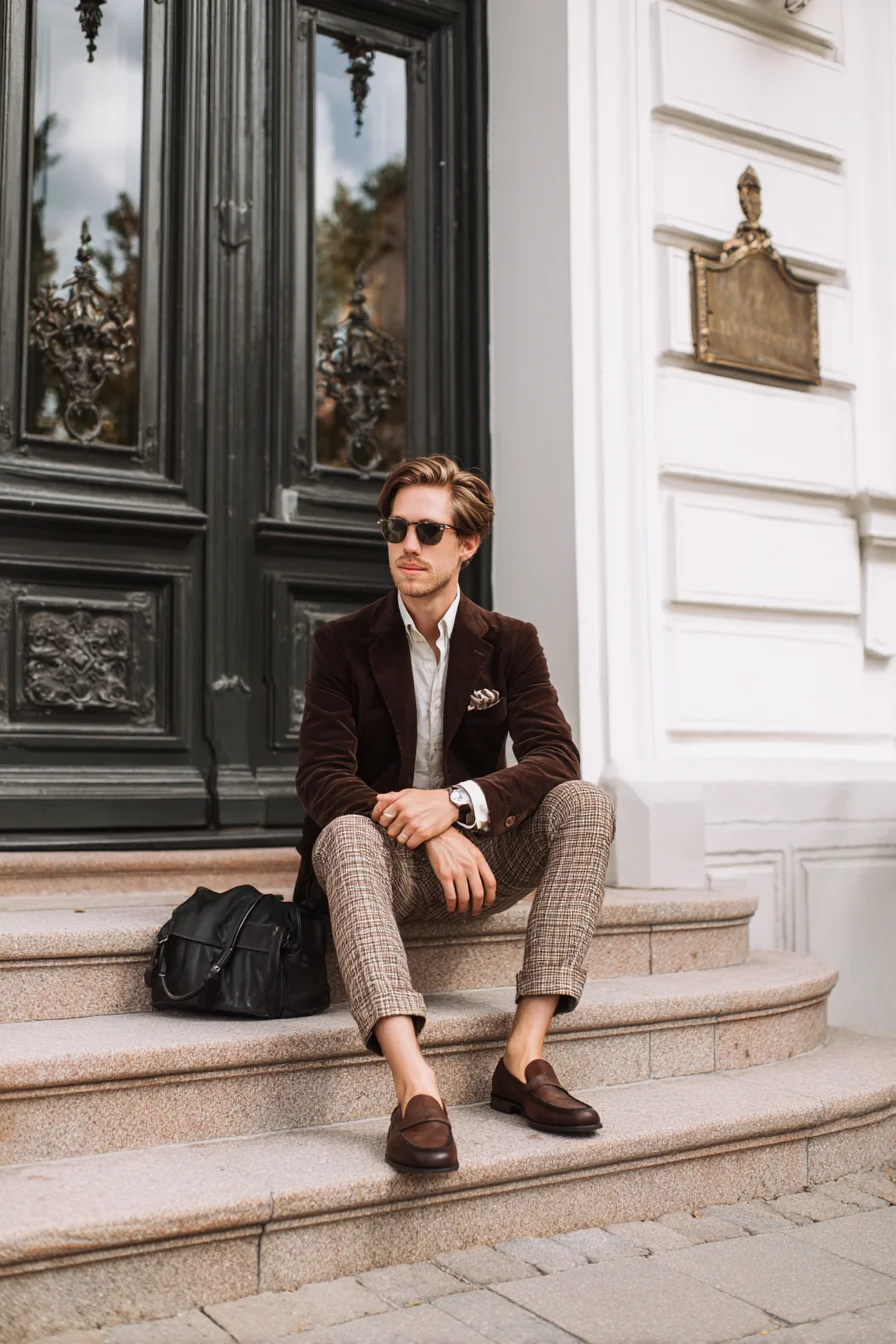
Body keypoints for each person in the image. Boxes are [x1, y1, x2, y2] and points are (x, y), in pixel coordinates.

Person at [296, 455, 615, 1174]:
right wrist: (423, 827)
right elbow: (319, 775)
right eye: (396, 528)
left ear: (468, 544)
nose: (408, 545)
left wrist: (455, 806)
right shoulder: (342, 642)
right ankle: (416, 1090)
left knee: (585, 803)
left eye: (429, 531)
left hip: (483, 862)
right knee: (342, 829)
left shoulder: (511, 642)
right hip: (384, 869)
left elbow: (553, 757)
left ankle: (523, 1057)